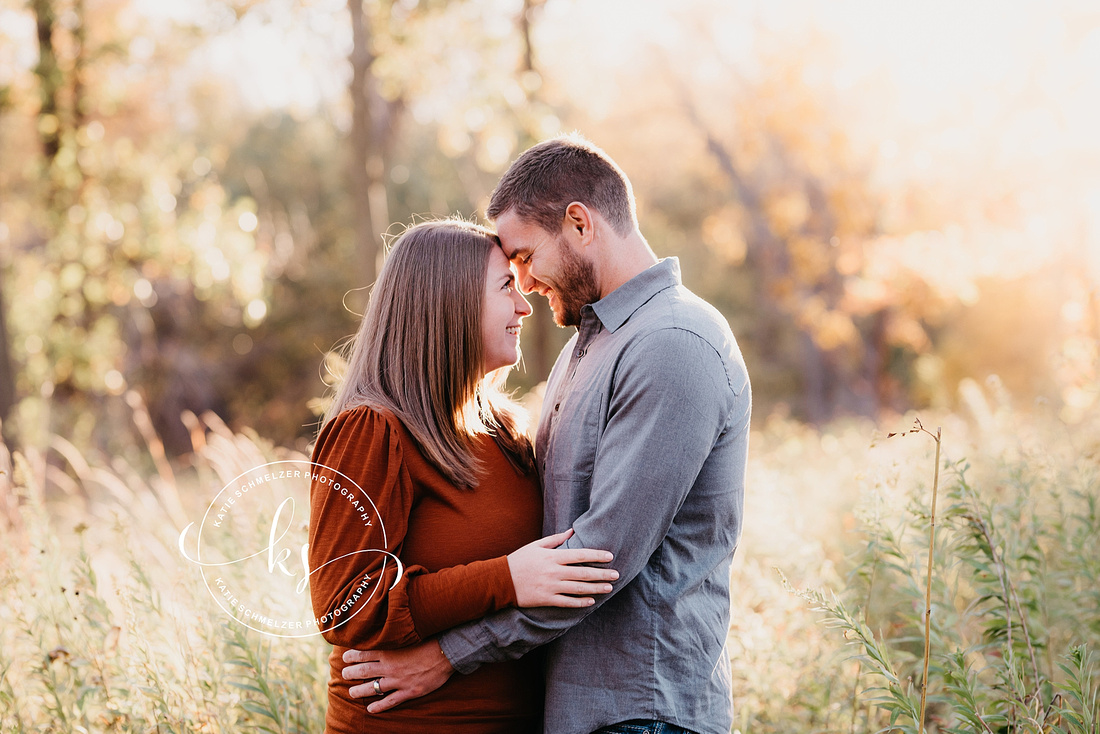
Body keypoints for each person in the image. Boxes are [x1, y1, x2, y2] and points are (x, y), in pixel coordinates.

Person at [341, 135, 752, 734]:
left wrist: (445, 657)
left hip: (643, 710)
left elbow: (597, 559)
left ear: (580, 224)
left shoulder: (673, 343)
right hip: (581, 712)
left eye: (526, 257)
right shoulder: (590, 347)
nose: (525, 284)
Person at [308, 218, 619, 733]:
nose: (525, 306)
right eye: (506, 289)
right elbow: (345, 602)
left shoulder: (506, 433)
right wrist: (507, 578)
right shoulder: (373, 430)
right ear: (446, 304)